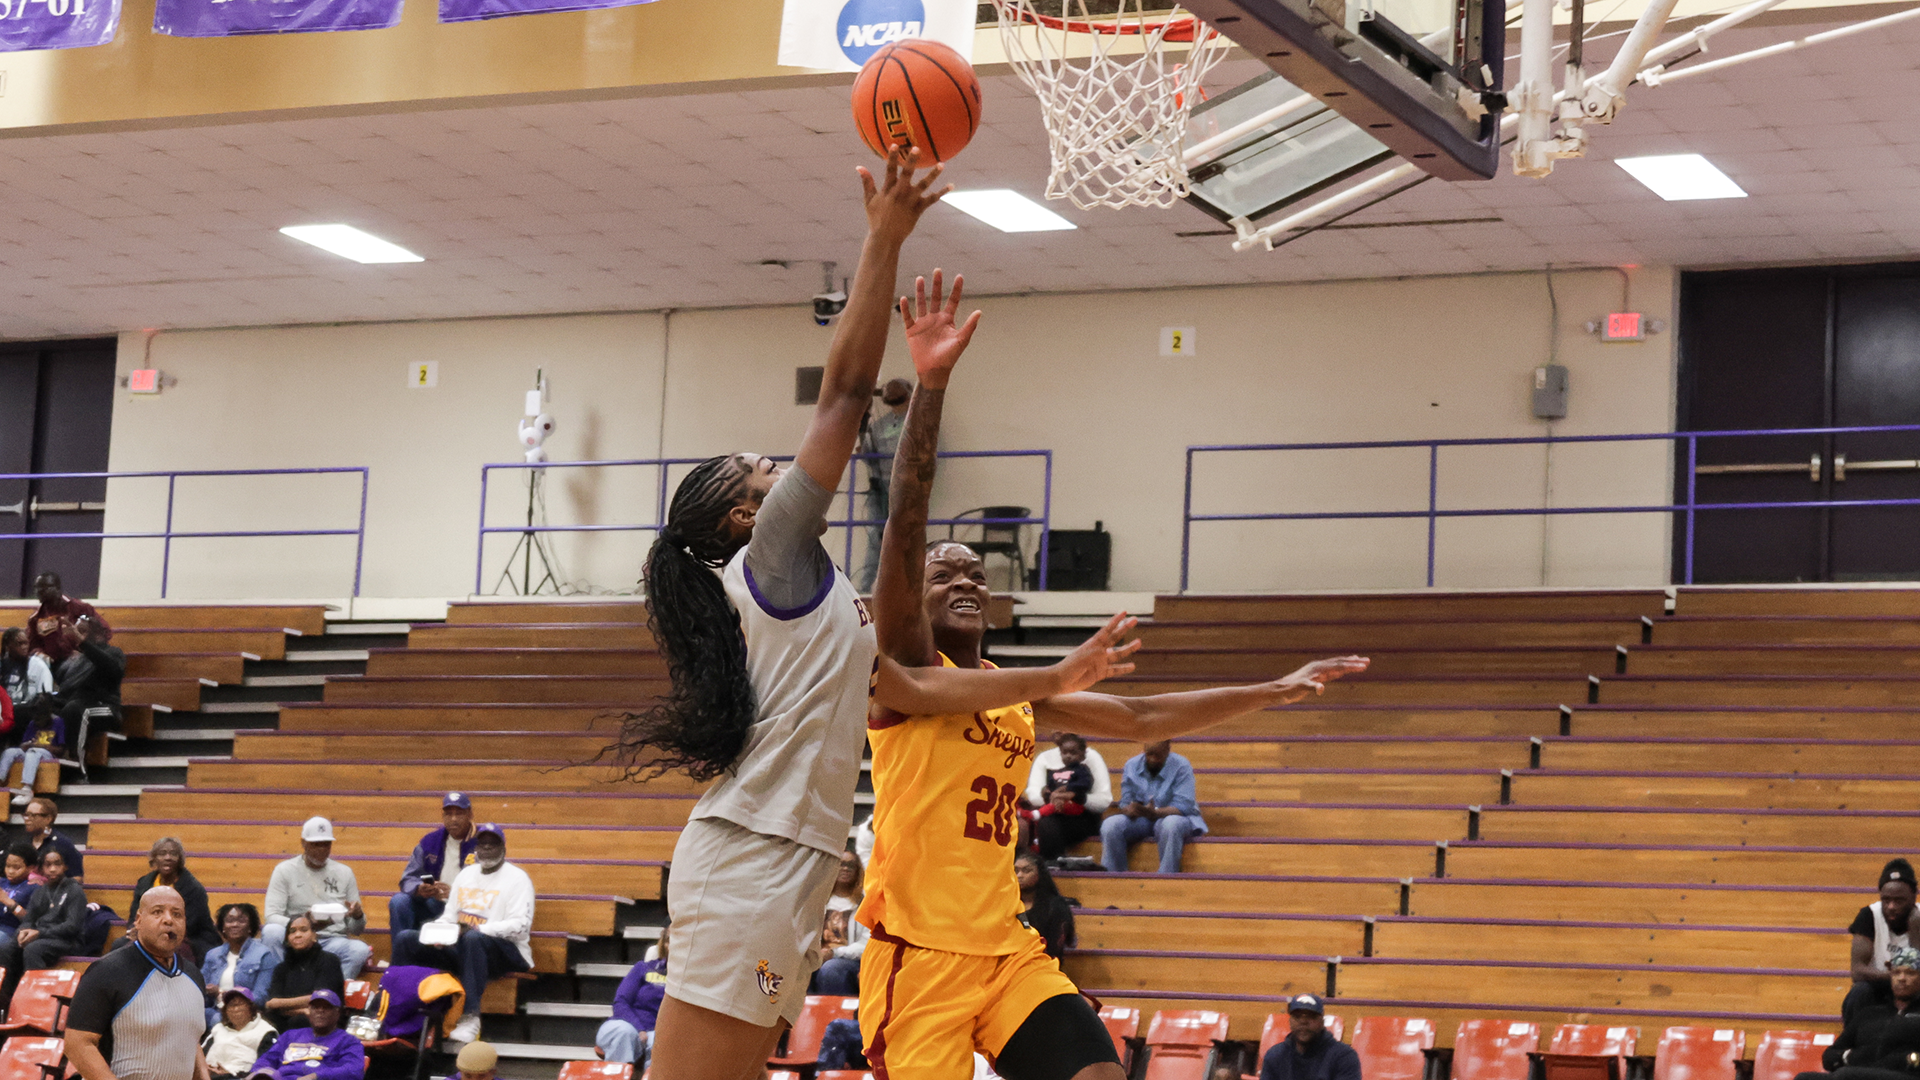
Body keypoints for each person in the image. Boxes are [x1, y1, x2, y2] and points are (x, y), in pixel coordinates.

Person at [600, 146, 1141, 1080]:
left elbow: (921, 687)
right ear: (742, 515)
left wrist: (1055, 679)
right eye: (755, 466)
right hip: (754, 861)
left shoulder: (814, 610)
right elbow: (847, 395)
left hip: (785, 865)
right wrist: (884, 235)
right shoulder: (770, 559)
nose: (776, 462)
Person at [858, 268, 1369, 1080]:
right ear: (906, 597)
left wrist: (1275, 687)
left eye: (975, 577)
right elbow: (908, 514)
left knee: (1099, 1071)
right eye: (943, 574)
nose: (964, 582)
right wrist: (932, 385)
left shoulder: (1019, 695)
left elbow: (1140, 720)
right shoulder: (908, 675)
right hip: (919, 958)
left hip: (1007, 951)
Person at [390, 823, 532, 1045]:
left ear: (503, 847)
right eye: (482, 844)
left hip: (507, 952)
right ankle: (393, 1005)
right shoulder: (466, 875)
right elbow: (449, 917)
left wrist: (477, 929)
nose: (486, 849)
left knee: (473, 938)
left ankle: (470, 1017)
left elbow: (520, 926)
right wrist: (438, 934)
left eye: (492, 844)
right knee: (407, 939)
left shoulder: (518, 878)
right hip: (466, 948)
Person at [64, 884, 210, 1080]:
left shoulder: (194, 975)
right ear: (139, 921)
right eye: (158, 912)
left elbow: (191, 1042)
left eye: (177, 914)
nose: (168, 919)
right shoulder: (107, 971)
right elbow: (77, 1044)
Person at [260, 817, 369, 977]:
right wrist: (302, 926)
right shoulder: (284, 870)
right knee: (271, 932)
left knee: (359, 950)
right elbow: (271, 916)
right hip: (294, 938)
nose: (322, 850)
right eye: (316, 844)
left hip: (330, 940)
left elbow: (357, 930)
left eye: (326, 844)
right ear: (303, 843)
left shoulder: (344, 872)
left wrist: (358, 915)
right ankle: (282, 983)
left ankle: (332, 995)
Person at [1810, 946, 1920, 1080]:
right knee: (1804, 1078)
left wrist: (1906, 1060)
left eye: (1910, 973)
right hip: (1859, 1073)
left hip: (1904, 1075)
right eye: (1896, 973)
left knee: (1845, 1075)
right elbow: (1829, 1056)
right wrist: (1848, 1056)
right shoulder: (1870, 1013)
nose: (1902, 978)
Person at [0, 845, 89, 1005]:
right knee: (9, 948)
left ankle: (36, 1001)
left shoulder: (75, 891)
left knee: (33, 949)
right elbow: (29, 920)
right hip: (42, 936)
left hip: (68, 940)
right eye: (48, 865)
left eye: (57, 864)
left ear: (65, 866)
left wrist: (38, 933)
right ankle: (5, 1001)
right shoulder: (40, 891)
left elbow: (71, 926)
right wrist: (23, 932)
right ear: (42, 869)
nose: (53, 869)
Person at [1100, 741, 1206, 874]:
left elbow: (1184, 806)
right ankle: (1113, 878)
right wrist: (1130, 809)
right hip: (1142, 819)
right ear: (1144, 748)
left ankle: (1166, 879)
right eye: (1149, 754)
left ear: (1168, 749)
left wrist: (1155, 812)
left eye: (1158, 755)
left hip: (1173, 817)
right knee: (1110, 825)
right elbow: (1125, 802)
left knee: (1171, 824)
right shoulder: (1131, 765)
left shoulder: (1181, 765)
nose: (1153, 759)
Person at [392, 792, 478, 936]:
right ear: (443, 816)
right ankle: (401, 956)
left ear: (470, 814)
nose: (454, 819)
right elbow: (407, 879)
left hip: (466, 908)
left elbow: (491, 885)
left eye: (459, 813)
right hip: (434, 904)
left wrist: (457, 894)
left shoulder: (483, 842)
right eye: (448, 814)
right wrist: (419, 889)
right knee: (399, 901)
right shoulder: (430, 841)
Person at [856, 376, 912, 592]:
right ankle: (866, 588)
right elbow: (868, 454)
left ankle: (904, 587)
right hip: (879, 486)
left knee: (904, 538)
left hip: (906, 489)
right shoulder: (879, 425)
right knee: (875, 536)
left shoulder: (918, 422)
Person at [132, 837, 222, 965]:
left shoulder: (193, 888)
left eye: (173, 854)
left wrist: (153, 934)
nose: (168, 857)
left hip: (191, 936)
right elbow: (134, 915)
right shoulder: (144, 883)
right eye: (162, 854)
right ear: (154, 858)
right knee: (121, 945)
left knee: (174, 948)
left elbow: (186, 924)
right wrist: (134, 930)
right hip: (152, 932)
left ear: (180, 859)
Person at [1849, 859, 1918, 1020]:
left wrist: (1916, 930)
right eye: (1886, 900)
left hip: (1915, 992)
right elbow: (1857, 971)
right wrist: (1897, 976)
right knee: (1859, 992)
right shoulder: (1869, 915)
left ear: (1914, 896)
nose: (1891, 906)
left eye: (1899, 901)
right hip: (1880, 989)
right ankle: (1852, 1041)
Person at [246, 987, 364, 1080]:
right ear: (309, 1011)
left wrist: (316, 1076)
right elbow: (266, 1060)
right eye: (315, 1007)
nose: (320, 1011)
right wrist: (259, 1072)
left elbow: (353, 1070)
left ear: (337, 1013)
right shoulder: (290, 1035)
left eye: (326, 1007)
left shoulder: (348, 1041)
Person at [596, 928, 668, 1069]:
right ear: (664, 945)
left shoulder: (688, 979)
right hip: (625, 1023)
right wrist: (640, 1028)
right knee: (624, 1033)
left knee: (661, 1043)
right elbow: (621, 1002)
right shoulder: (642, 968)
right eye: (670, 941)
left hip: (660, 1031)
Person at [262, 914, 345, 1033]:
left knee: (300, 1021)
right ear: (287, 939)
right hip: (288, 1020)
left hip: (324, 1022)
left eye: (304, 930)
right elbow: (271, 1005)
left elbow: (320, 999)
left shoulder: (329, 961)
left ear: (314, 935)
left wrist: (281, 1003)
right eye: (292, 931)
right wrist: (302, 1010)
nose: (298, 934)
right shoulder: (281, 968)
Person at [1026, 733, 1101, 862]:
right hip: (1057, 810)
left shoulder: (1083, 770)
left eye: (1073, 753)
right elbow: (1049, 789)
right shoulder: (1055, 772)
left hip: (1079, 813)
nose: (1068, 756)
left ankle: (1054, 859)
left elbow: (1084, 785)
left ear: (1082, 755)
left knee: (1048, 822)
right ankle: (1048, 861)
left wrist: (1067, 792)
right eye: (1064, 752)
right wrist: (1050, 795)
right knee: (1045, 822)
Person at [202, 904, 278, 1029]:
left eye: (241, 920)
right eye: (229, 920)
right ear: (223, 928)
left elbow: (261, 997)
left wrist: (221, 993)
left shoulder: (264, 954)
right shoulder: (212, 955)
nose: (235, 924)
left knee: (218, 1021)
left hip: (248, 1015)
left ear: (250, 927)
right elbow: (201, 994)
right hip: (215, 1012)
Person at [52, 612, 125, 736]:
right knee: (36, 704)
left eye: (82, 632)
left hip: (104, 706)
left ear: (97, 634)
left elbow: (112, 668)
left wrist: (82, 642)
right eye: (77, 632)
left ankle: (74, 755)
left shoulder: (114, 652)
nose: (77, 636)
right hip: (75, 702)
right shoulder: (80, 659)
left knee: (74, 709)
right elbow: (67, 689)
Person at [1259, 994, 1360, 1080]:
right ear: (1290, 1022)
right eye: (1297, 1016)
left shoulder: (1344, 1056)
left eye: (1311, 1016)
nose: (1303, 1022)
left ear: (1322, 1021)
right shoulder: (1275, 1055)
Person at [26, 571, 109, 668]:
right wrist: (40, 653)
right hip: (53, 664)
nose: (39, 591)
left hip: (83, 661)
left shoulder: (81, 608)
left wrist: (86, 650)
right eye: (37, 588)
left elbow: (104, 632)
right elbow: (33, 645)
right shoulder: (36, 618)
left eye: (44, 587)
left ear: (57, 588)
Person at [203, 989, 277, 1080]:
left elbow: (265, 1067)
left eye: (240, 1004)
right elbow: (201, 1055)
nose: (236, 1009)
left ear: (251, 1007)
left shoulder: (266, 1031)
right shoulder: (217, 1029)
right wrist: (204, 1069)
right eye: (231, 1005)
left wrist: (232, 1074)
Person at [1014, 853, 1075, 961]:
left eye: (1026, 871)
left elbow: (1056, 945)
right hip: (1009, 962)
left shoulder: (1055, 905)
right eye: (1016, 871)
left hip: (1044, 962)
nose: (1019, 875)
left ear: (1039, 874)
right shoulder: (1007, 903)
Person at [0, 704, 62, 806]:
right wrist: (27, 745)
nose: (36, 721)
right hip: (30, 754)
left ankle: (27, 789)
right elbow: (22, 746)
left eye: (39, 718)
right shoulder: (32, 724)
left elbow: (61, 750)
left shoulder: (58, 722)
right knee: (10, 752)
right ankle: (1, 780)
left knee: (33, 751)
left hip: (48, 755)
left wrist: (41, 746)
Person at [22, 795, 84, 881]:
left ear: (48, 819)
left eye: (33, 815)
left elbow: (77, 877)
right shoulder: (24, 845)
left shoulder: (62, 843)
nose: (27, 819)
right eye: (26, 815)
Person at [812, 906, 867, 996]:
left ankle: (839, 1009)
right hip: (820, 954)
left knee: (831, 969)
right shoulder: (816, 899)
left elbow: (867, 945)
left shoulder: (867, 901)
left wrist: (834, 953)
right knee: (802, 966)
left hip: (854, 959)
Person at [1, 627, 54, 715]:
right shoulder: (2, 666)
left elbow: (45, 695)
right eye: (19, 644)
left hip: (28, 713)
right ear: (8, 646)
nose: (24, 647)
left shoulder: (38, 665)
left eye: (26, 643)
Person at [0, 843, 39, 939]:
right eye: (8, 866)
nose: (10, 871)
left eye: (16, 868)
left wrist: (9, 903)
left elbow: (32, 920)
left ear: (31, 868)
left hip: (12, 932)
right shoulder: (2, 882)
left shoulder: (33, 888)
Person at [828, 849, 864, 914]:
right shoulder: (821, 901)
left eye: (851, 865)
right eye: (841, 864)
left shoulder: (864, 902)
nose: (846, 868)